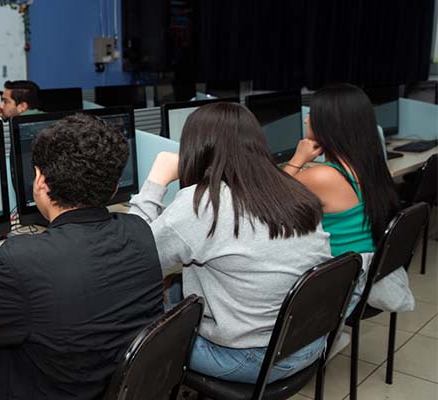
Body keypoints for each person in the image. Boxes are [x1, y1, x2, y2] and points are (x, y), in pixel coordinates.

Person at [0, 114, 164, 400]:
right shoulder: (138, 230)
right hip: (110, 390)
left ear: (39, 180)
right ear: (114, 187)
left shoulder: (23, 258)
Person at [129, 102, 332, 384]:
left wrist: (156, 180)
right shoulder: (293, 190)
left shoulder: (202, 205)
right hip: (308, 341)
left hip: (252, 360)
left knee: (129, 322)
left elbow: (132, 259)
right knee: (175, 287)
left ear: (196, 148)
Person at [284, 83, 411, 312]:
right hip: (367, 273)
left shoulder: (323, 176)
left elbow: (269, 199)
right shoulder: (370, 165)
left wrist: (297, 159)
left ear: (328, 124)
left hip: (343, 286)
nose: (306, 120)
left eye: (312, 115)